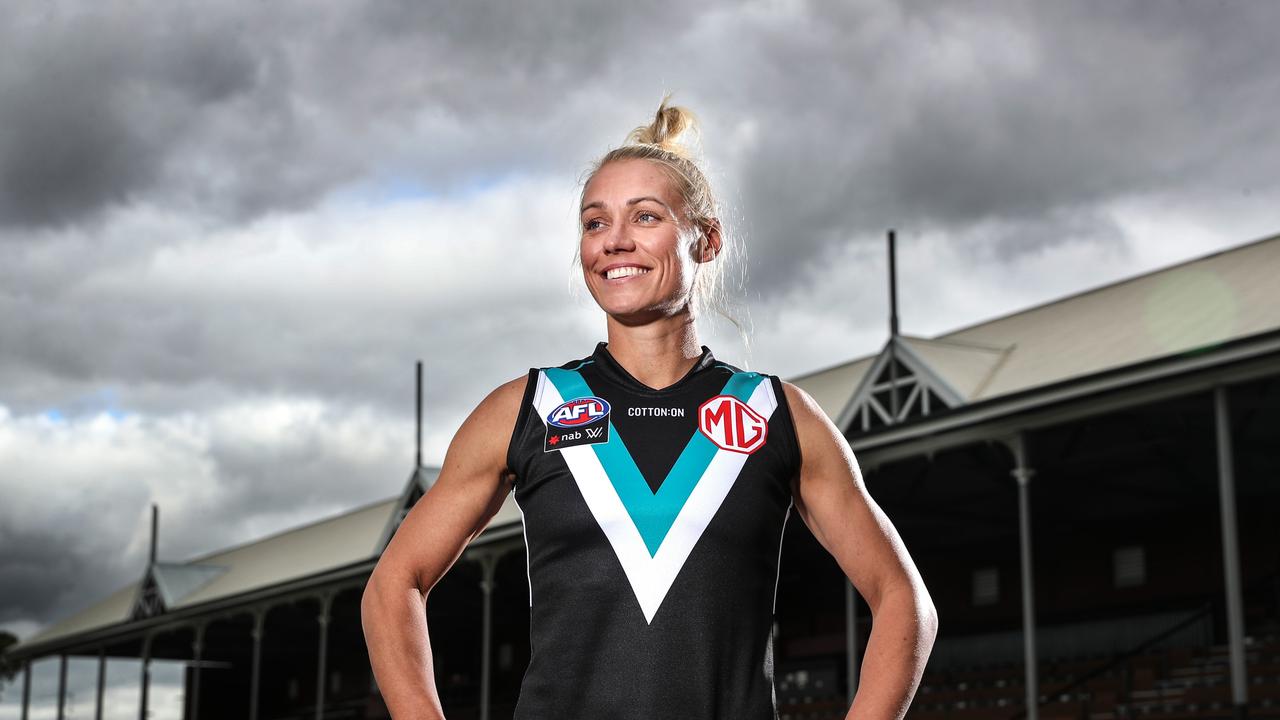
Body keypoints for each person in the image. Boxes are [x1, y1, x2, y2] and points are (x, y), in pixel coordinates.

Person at [361, 96, 938, 720]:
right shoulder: (527, 409)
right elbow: (394, 584)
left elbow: (904, 601)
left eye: (645, 217)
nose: (614, 242)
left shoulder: (778, 413)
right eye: (594, 222)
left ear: (707, 240)